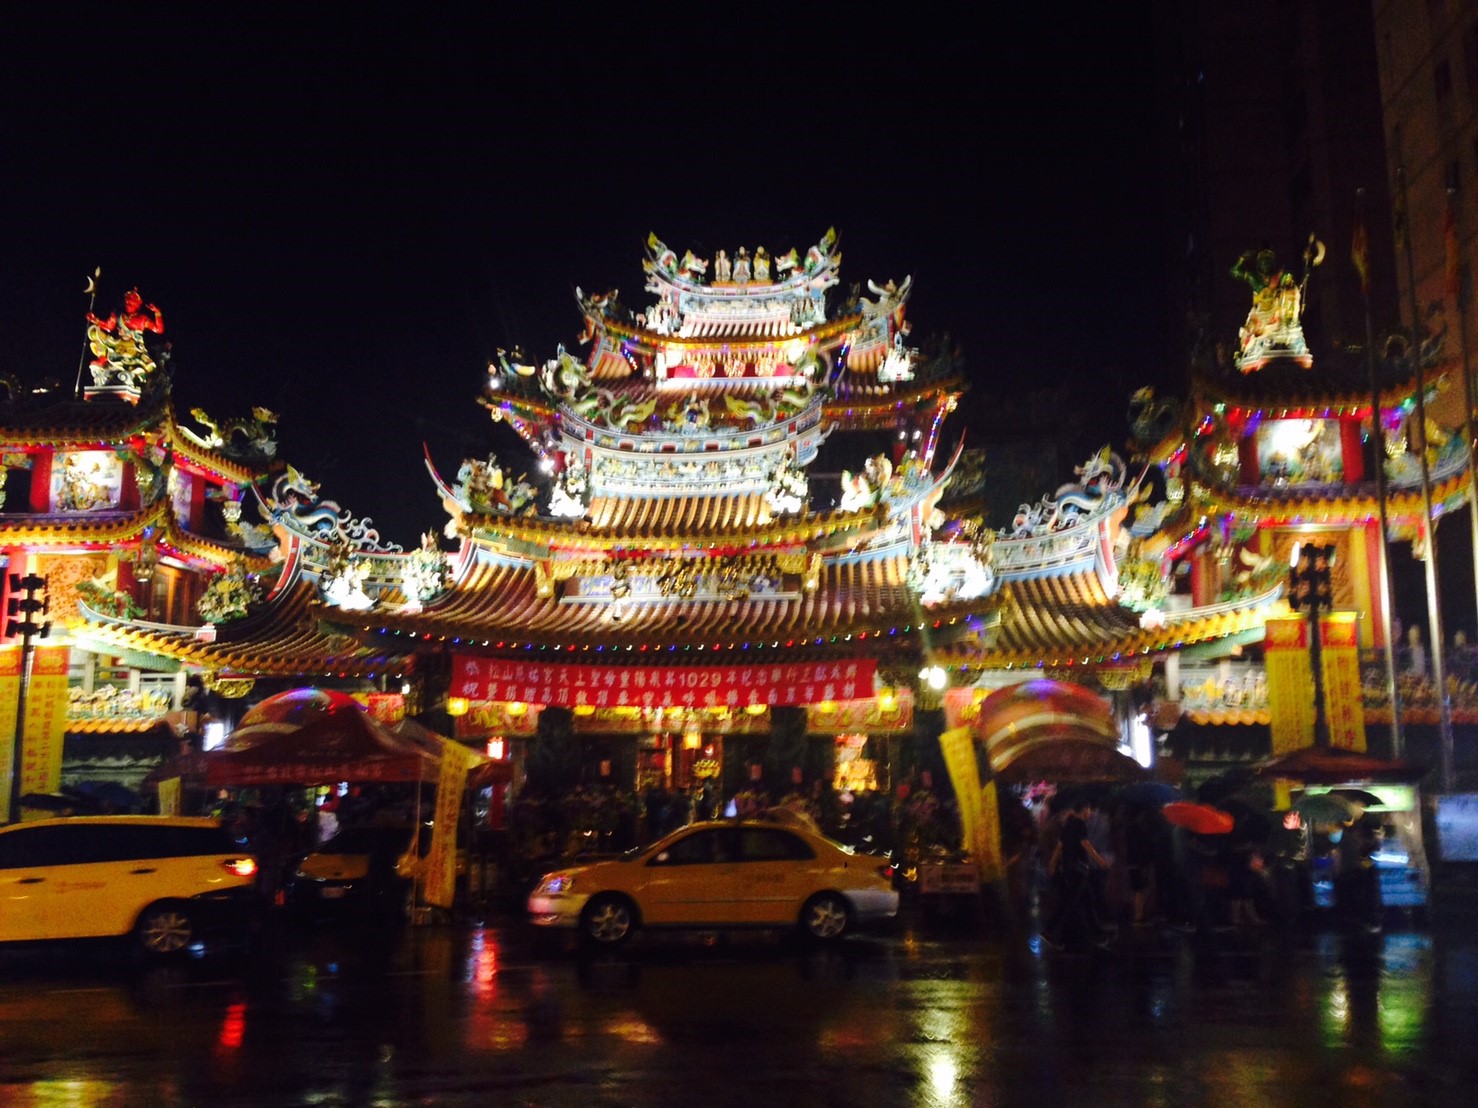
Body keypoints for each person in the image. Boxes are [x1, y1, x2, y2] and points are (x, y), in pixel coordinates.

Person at [1042, 798, 1113, 950]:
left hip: (1070, 868)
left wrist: (1052, 864)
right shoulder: (1080, 823)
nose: (1090, 813)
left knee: (1087, 900)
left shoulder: (1068, 824)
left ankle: (1099, 935)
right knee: (1068, 902)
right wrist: (1100, 860)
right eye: (1089, 810)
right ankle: (1049, 931)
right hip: (1077, 869)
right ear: (1084, 810)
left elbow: (1059, 846)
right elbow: (1085, 844)